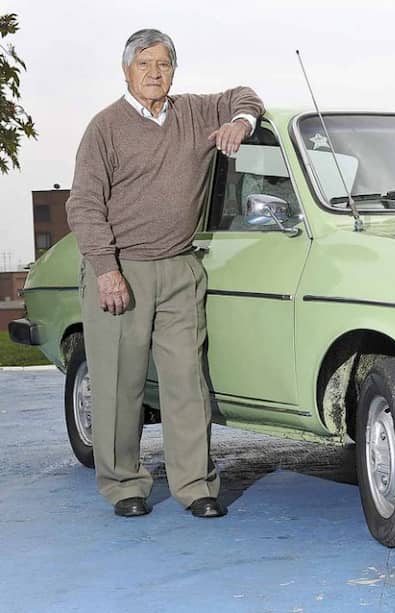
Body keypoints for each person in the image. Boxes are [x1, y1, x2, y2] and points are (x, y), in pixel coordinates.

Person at [65, 29, 264, 518]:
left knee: (186, 383)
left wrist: (241, 120)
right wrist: (106, 270)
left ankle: (196, 485)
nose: (155, 74)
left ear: (174, 70)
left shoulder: (196, 112)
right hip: (121, 270)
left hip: (179, 267)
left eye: (164, 64)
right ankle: (123, 485)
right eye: (144, 64)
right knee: (118, 384)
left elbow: (246, 94)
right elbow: (84, 204)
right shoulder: (105, 127)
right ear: (126, 70)